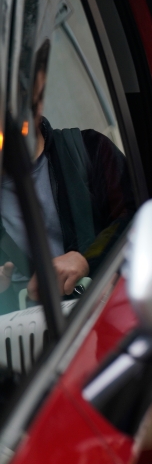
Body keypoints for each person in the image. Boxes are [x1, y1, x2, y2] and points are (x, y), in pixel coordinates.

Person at [0, 39, 135, 312]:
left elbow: (137, 217)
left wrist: (87, 260)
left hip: (108, 312)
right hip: (29, 332)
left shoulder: (91, 151)